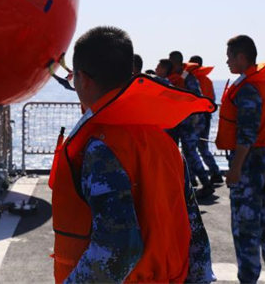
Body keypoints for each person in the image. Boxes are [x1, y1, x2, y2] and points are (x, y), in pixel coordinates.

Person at [50, 27, 215, 283]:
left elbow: (120, 247)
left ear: (82, 78)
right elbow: (195, 232)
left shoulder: (99, 148)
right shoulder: (165, 143)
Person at [216, 35, 265, 284]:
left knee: (246, 228)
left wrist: (235, 169)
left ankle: (248, 278)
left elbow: (247, 133)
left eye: (230, 56)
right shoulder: (262, 84)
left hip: (250, 166)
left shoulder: (247, 88)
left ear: (241, 57)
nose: (227, 61)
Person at [168, 51, 215, 199]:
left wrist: (194, 119)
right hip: (179, 122)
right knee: (182, 153)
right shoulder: (176, 78)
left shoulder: (189, 78)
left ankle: (206, 184)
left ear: (176, 63)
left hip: (190, 123)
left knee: (191, 152)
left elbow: (196, 98)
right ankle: (188, 182)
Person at [188, 56, 223, 185]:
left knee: (190, 148)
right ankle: (215, 172)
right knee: (203, 147)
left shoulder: (190, 80)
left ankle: (192, 177)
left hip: (195, 118)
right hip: (206, 117)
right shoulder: (207, 80)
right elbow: (212, 99)